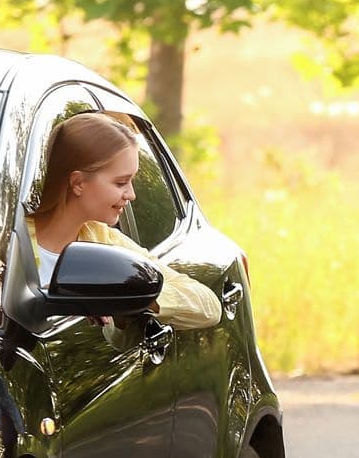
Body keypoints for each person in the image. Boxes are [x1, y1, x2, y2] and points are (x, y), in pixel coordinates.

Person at [26, 112, 220, 330]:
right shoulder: (5, 242)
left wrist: (121, 293)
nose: (131, 194)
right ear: (78, 182)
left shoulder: (106, 242)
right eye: (121, 183)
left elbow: (209, 306)